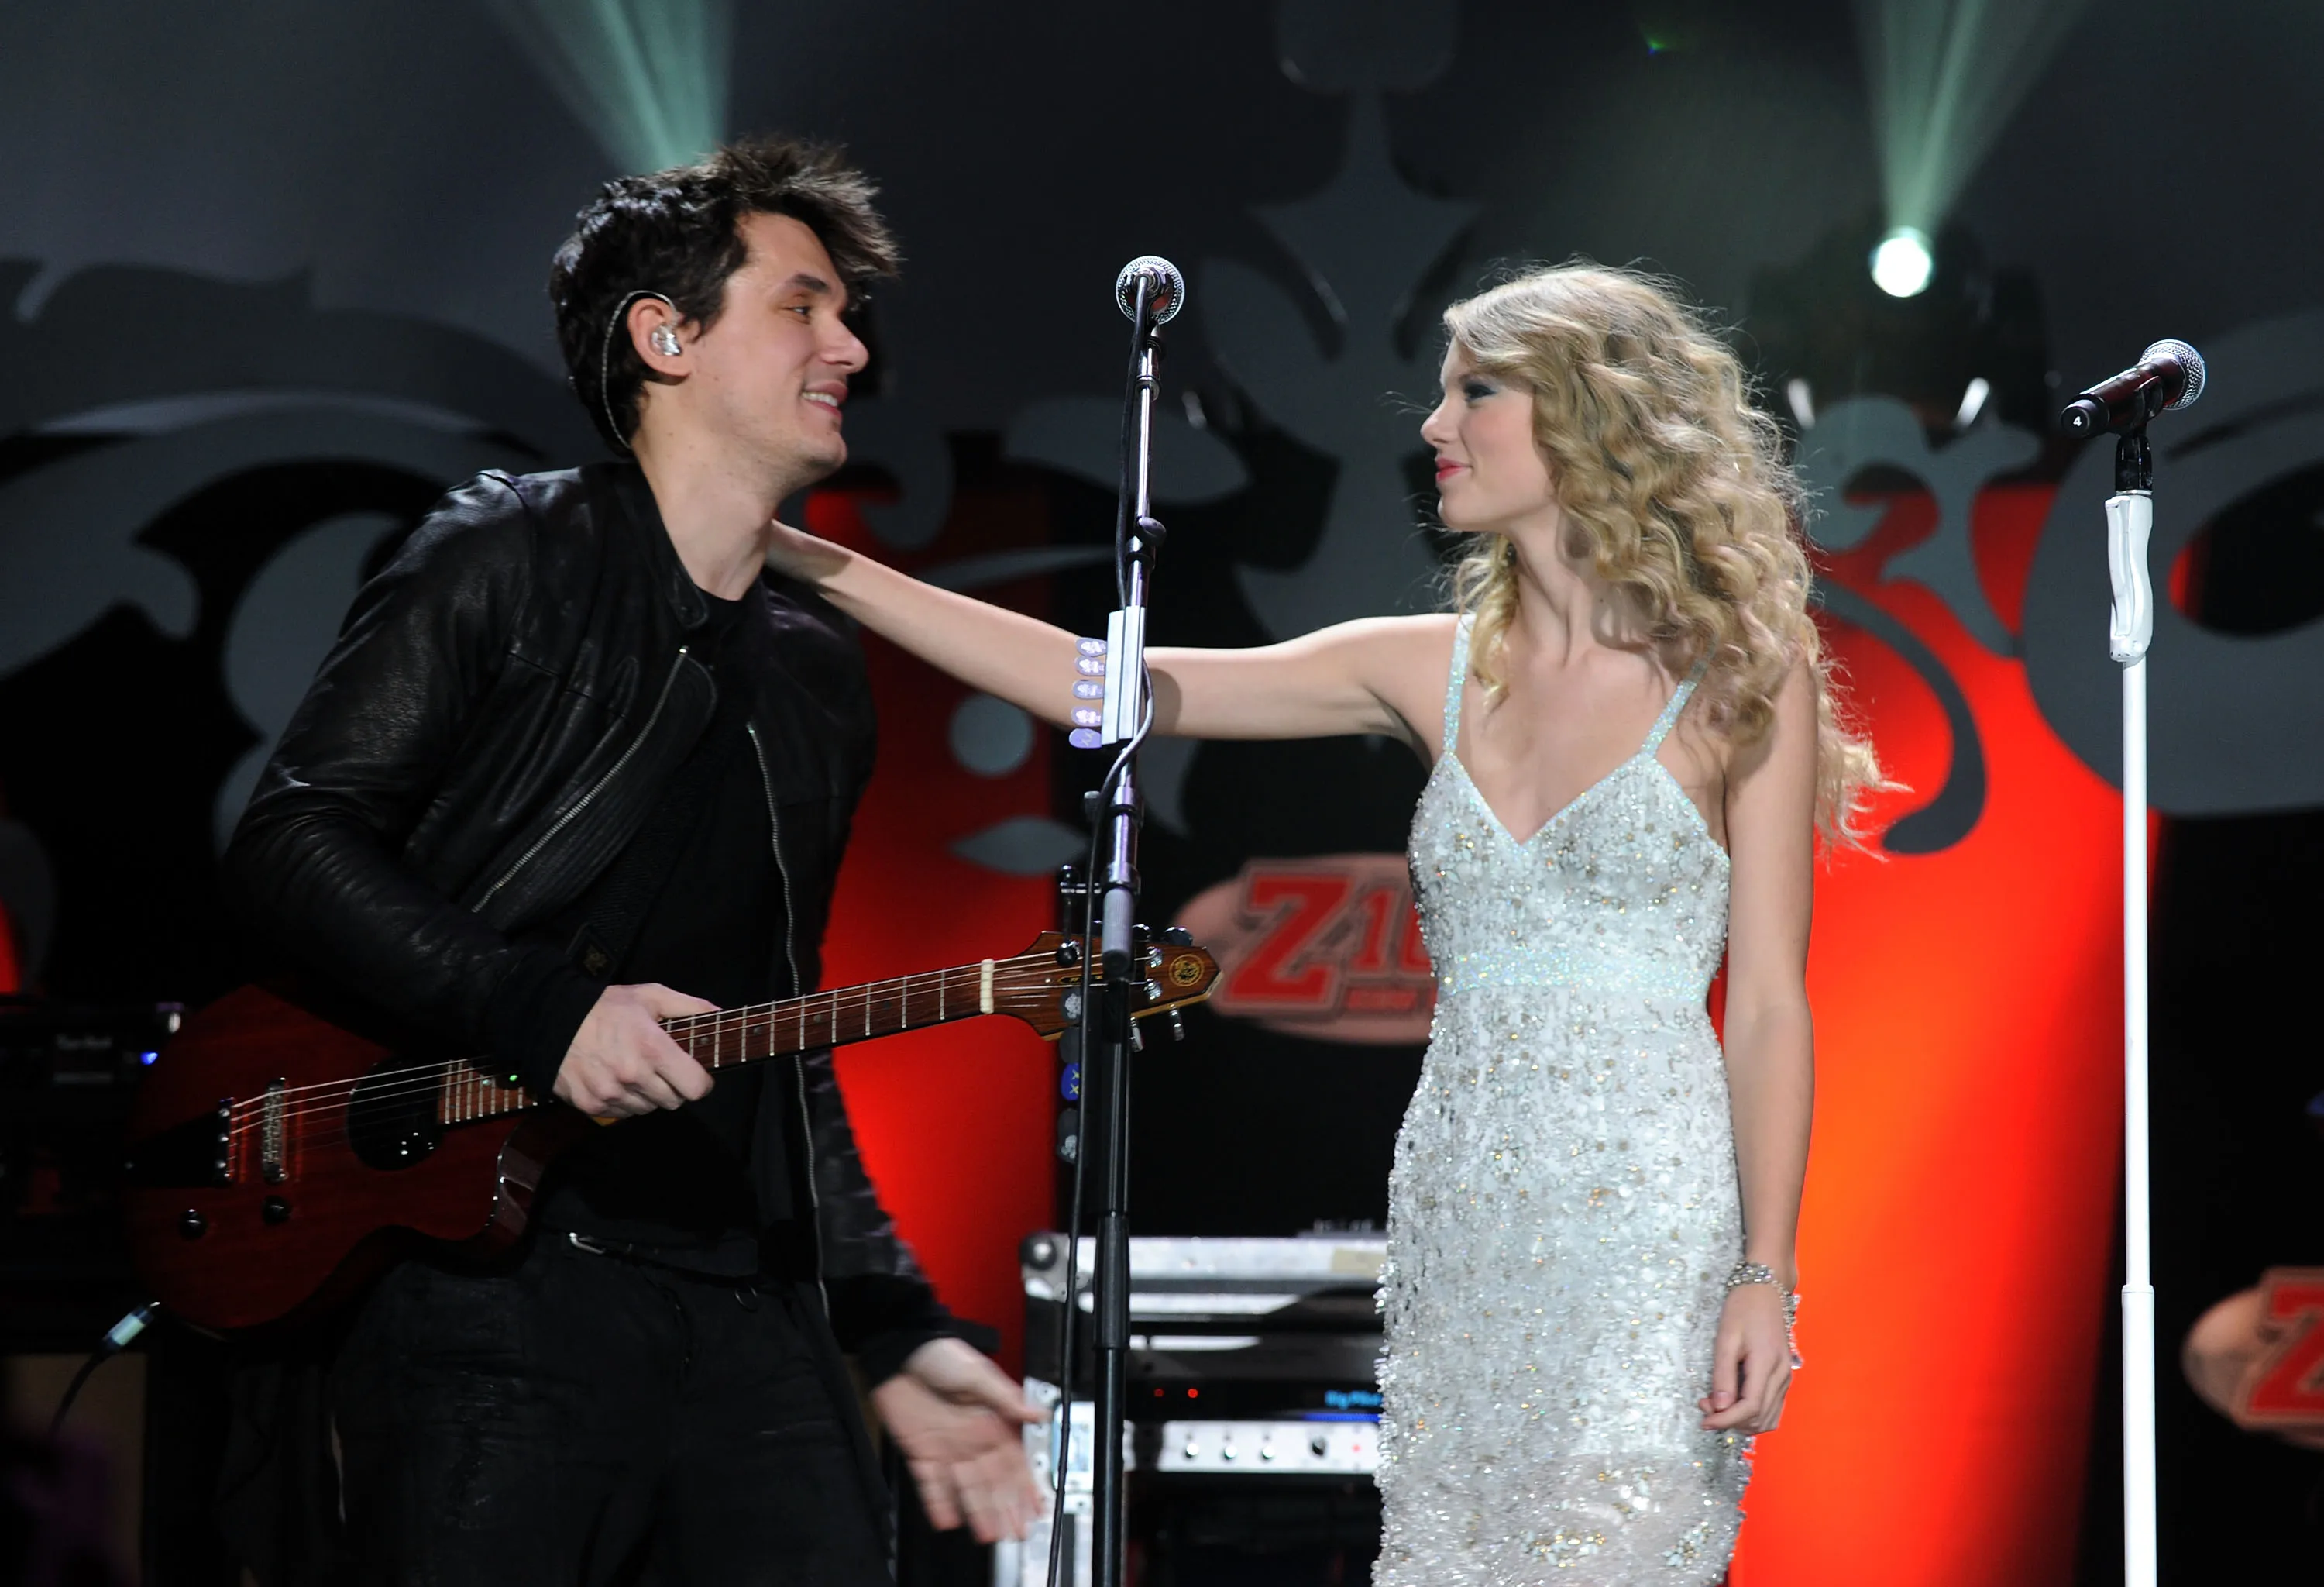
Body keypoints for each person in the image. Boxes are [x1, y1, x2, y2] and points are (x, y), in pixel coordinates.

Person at [758, 263, 1882, 1584]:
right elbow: (1103, 687)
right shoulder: (1426, 667)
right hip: (1464, 1209)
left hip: (1651, 1227)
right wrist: (808, 559)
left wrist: (1766, 1272)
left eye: (1477, 390)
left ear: (1590, 413)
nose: (1433, 425)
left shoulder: (1744, 675)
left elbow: (1766, 1008)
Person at [222, 138, 1040, 1585]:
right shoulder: (508, 553)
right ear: (665, 338)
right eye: (804, 306)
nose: (850, 344)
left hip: (741, 1306)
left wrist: (890, 1320)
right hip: (492, 1295)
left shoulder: (813, 676)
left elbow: (786, 1032)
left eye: (848, 313)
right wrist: (544, 1012)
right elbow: (294, 836)